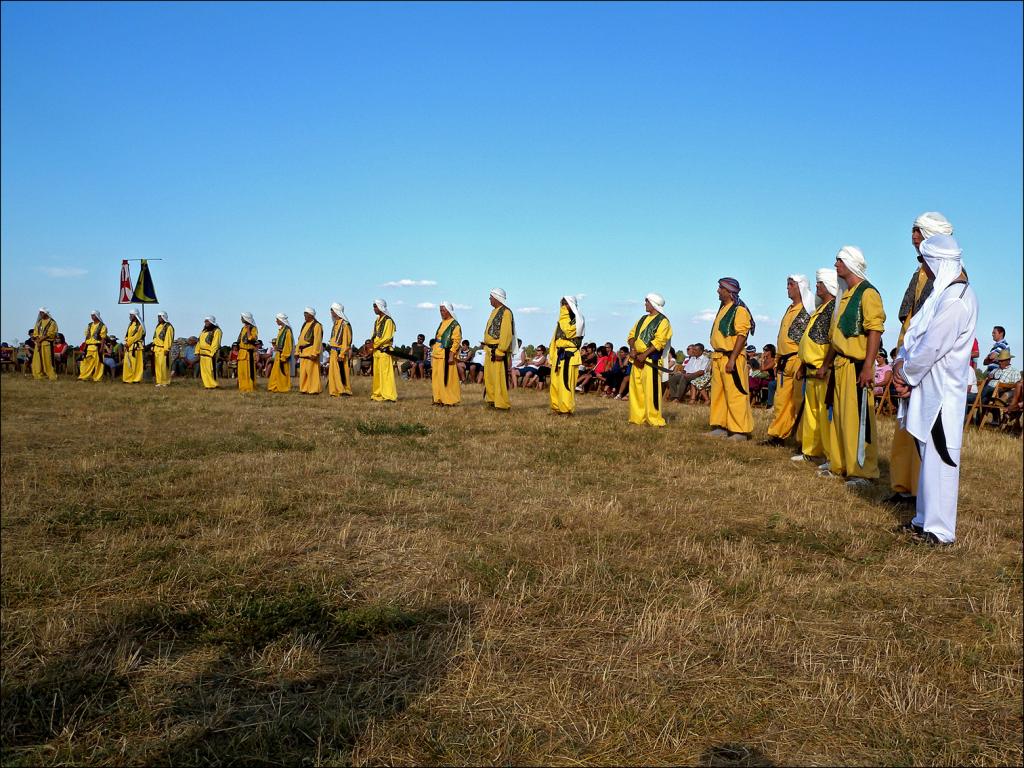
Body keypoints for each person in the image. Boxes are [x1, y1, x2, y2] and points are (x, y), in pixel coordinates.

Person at [891, 234, 977, 545]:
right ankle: (924, 520)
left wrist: (904, 372)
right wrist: (904, 367)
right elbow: (917, 337)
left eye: (924, 262)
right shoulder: (945, 294)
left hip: (942, 393)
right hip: (927, 388)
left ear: (938, 262)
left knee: (940, 458)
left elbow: (930, 347)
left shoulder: (956, 299)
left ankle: (940, 531)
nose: (923, 269)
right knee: (928, 456)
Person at [888, 212, 954, 504]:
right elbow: (908, 317)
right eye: (913, 229)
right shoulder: (918, 273)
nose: (913, 235)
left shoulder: (949, 276)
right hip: (907, 353)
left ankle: (923, 493)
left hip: (927, 361)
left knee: (924, 427)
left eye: (919, 230)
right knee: (905, 426)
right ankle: (904, 486)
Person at [819, 247, 885, 487]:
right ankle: (840, 464)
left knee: (859, 419)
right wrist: (827, 364)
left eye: (839, 260)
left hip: (857, 365)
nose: (835, 264)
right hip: (840, 365)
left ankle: (863, 472)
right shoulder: (844, 295)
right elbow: (836, 337)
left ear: (850, 263)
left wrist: (868, 366)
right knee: (840, 417)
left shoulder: (867, 293)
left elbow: (874, 329)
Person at [791, 269, 837, 464]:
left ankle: (829, 455)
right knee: (811, 414)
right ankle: (811, 451)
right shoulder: (819, 309)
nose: (816, 286)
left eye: (820, 283)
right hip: (811, 369)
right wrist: (802, 364)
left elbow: (833, 341)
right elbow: (808, 341)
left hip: (823, 371)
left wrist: (825, 365)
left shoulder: (835, 309)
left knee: (825, 416)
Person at [761, 276, 813, 444]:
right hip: (784, 361)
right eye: (787, 285)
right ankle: (777, 435)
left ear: (801, 287)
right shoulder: (789, 309)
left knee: (799, 401)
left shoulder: (808, 310)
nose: (788, 288)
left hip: (798, 360)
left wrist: (804, 363)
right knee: (781, 401)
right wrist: (777, 360)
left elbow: (806, 339)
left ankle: (802, 440)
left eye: (791, 285)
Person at [708, 278, 754, 440]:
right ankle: (721, 425)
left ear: (728, 291)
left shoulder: (739, 310)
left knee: (735, 393)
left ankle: (739, 430)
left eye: (720, 288)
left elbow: (742, 334)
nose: (718, 290)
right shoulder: (723, 308)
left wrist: (733, 358)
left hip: (731, 356)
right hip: (719, 356)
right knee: (719, 393)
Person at [627, 293, 672, 427]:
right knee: (636, 391)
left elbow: (659, 341)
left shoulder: (663, 321)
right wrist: (633, 349)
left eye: (647, 301)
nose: (645, 304)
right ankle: (637, 419)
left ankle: (654, 420)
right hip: (636, 358)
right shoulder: (641, 319)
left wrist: (645, 354)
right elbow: (631, 335)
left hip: (650, 361)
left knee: (651, 392)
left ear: (653, 303)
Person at [549, 295, 585, 414]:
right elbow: (555, 338)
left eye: (565, 304)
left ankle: (566, 410)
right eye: (562, 304)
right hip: (558, 355)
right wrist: (552, 355)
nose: (563, 307)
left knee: (565, 384)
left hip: (569, 356)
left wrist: (564, 313)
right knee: (555, 384)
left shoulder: (578, 319)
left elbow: (568, 332)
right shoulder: (561, 320)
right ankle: (556, 408)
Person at [482, 288, 515, 409]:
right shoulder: (494, 311)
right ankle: (491, 400)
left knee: (499, 377)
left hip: (497, 350)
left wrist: (501, 350)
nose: (489, 299)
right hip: (489, 350)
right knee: (490, 377)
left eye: (491, 297)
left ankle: (501, 403)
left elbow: (506, 333)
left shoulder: (505, 312)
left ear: (496, 297)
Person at [431, 302, 462, 406]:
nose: (441, 312)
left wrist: (451, 355)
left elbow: (456, 341)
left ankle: (449, 400)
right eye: (440, 310)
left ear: (449, 311)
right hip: (437, 353)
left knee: (447, 378)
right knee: (436, 378)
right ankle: (438, 399)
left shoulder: (454, 325)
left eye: (443, 310)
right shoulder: (442, 322)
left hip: (446, 353)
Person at [371, 299, 398, 402]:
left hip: (384, 350)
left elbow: (386, 337)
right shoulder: (377, 321)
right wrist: (370, 345)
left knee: (386, 374)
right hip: (376, 351)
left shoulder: (388, 321)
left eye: (375, 306)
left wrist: (374, 345)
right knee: (377, 374)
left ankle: (389, 396)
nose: (374, 308)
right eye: (373, 306)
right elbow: (374, 335)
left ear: (380, 307)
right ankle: (377, 394)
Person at [295, 307, 323, 395]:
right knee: (303, 373)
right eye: (304, 314)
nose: (304, 316)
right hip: (303, 353)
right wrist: (296, 351)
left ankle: (314, 390)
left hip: (311, 352)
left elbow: (317, 340)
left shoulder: (317, 325)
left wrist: (315, 353)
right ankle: (304, 389)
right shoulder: (304, 324)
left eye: (306, 314)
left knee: (312, 372)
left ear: (311, 315)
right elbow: (300, 339)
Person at [327, 303, 353, 397]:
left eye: (332, 310)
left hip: (339, 352)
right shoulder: (336, 324)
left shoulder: (344, 324)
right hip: (333, 351)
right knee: (333, 373)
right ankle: (335, 391)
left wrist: (342, 354)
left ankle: (344, 391)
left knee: (341, 372)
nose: (331, 312)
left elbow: (346, 341)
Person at [77, 311, 108, 382]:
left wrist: (101, 348)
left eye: (93, 315)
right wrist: (84, 347)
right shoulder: (89, 325)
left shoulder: (102, 326)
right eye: (91, 315)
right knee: (86, 362)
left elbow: (103, 338)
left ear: (97, 316)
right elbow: (87, 337)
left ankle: (97, 378)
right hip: (89, 347)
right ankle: (84, 377)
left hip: (97, 347)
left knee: (99, 363)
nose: (92, 317)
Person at [30, 307, 58, 381]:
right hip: (38, 344)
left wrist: (40, 340)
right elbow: (35, 333)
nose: (40, 314)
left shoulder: (52, 322)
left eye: (42, 312)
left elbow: (51, 333)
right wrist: (37, 341)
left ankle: (50, 375)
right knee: (37, 360)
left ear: (46, 313)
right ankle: (38, 374)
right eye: (40, 312)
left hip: (47, 344)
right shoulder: (39, 322)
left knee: (47, 360)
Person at [268, 314, 294, 393]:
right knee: (276, 372)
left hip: (283, 354)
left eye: (277, 319)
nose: (276, 321)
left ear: (281, 320)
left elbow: (288, 344)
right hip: (278, 354)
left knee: (282, 372)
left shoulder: (287, 330)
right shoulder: (281, 330)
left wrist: (284, 356)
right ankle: (275, 387)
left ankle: (282, 387)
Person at [195, 315, 222, 389]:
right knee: (204, 371)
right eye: (205, 321)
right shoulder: (203, 331)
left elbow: (216, 343)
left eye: (207, 321)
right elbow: (199, 341)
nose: (205, 322)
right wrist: (197, 351)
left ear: (211, 322)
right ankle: (207, 385)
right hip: (202, 353)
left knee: (211, 370)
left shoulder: (217, 331)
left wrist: (212, 353)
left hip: (210, 353)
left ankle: (213, 385)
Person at [120, 308, 146, 384]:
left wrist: (128, 344)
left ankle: (136, 379)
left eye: (131, 315)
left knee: (136, 364)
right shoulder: (130, 324)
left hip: (136, 347)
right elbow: (127, 335)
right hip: (129, 347)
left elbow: (136, 336)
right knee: (127, 363)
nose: (130, 316)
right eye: (130, 315)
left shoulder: (139, 325)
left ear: (135, 315)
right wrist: (125, 342)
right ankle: (128, 379)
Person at [236, 312, 259, 392]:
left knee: (248, 371)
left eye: (242, 317)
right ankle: (242, 387)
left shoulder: (254, 328)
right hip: (241, 352)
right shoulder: (243, 328)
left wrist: (248, 330)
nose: (241, 319)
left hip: (248, 354)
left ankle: (249, 387)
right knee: (241, 371)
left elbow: (252, 339)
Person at [152, 311, 174, 387]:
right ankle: (159, 381)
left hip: (163, 349)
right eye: (158, 317)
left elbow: (168, 339)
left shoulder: (169, 327)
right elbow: (155, 337)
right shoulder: (158, 326)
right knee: (158, 366)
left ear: (164, 317)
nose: (159, 318)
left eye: (160, 316)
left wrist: (166, 349)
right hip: (156, 349)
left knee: (164, 366)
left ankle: (165, 381)